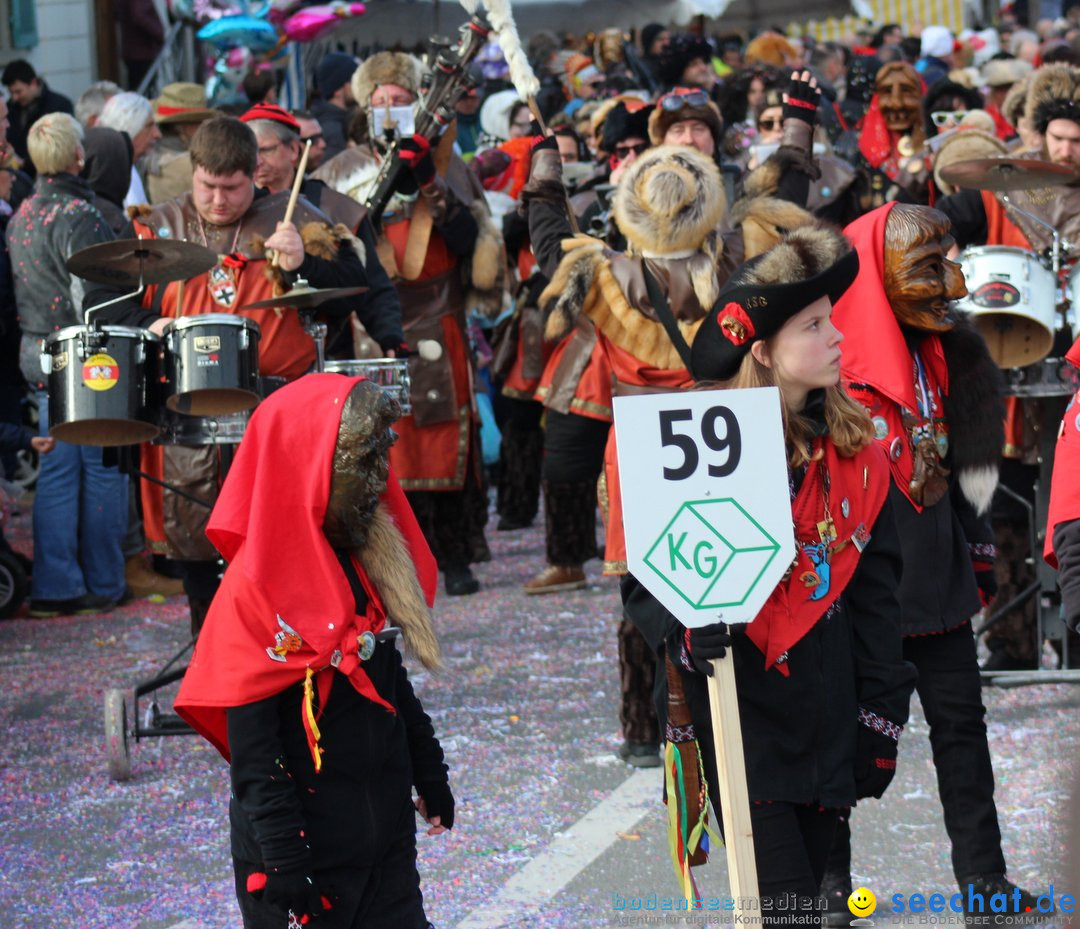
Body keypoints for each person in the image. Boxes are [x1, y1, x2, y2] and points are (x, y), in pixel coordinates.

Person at [526, 72, 822, 765]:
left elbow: (547, 245)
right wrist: (799, 121)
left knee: (657, 605)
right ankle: (743, 728)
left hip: (646, 461)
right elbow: (788, 200)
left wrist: (545, 169)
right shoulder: (743, 257)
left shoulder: (602, 273)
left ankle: (668, 731)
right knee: (745, 590)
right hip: (738, 453)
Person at [623, 224, 916, 923]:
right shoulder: (696, 446)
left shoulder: (858, 453)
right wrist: (686, 631)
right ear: (763, 351)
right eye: (813, 326)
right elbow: (644, 582)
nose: (837, 338)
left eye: (832, 321)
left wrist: (882, 718)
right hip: (741, 710)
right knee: (784, 908)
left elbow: (880, 600)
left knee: (828, 906)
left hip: (829, 712)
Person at [824, 202, 1052, 925]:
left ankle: (985, 885)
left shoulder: (945, 352)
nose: (954, 281)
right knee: (841, 742)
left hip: (940, 577)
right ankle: (829, 886)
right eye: (931, 266)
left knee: (964, 735)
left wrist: (977, 557)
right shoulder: (829, 366)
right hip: (860, 593)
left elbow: (963, 471)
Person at [92, 115, 405, 630]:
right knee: (199, 550)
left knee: (281, 549)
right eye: (207, 187)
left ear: (254, 173)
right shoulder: (156, 227)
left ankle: (284, 667)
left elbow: (357, 281)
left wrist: (306, 260)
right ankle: (213, 663)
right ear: (192, 172)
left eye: (231, 188)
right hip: (186, 418)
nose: (218, 201)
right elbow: (105, 305)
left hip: (277, 412)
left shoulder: (293, 216)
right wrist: (155, 321)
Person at [175, 374, 453, 929]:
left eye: (381, 460)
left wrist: (429, 769)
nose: (379, 481)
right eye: (362, 462)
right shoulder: (253, 596)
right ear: (307, 464)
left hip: (385, 847)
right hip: (303, 860)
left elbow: (388, 679)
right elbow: (255, 753)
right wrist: (284, 860)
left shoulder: (361, 560)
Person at [314, 51, 505, 596]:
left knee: (445, 438)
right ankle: (393, 561)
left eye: (401, 99)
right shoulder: (339, 170)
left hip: (438, 317)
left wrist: (430, 184)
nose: (391, 108)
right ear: (364, 105)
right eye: (381, 101)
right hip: (374, 323)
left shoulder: (447, 163)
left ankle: (454, 555)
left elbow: (475, 248)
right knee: (382, 443)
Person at [9, 112, 128, 617]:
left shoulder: (21, 213)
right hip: (81, 356)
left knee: (57, 471)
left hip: (37, 353)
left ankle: (57, 586)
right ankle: (103, 581)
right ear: (78, 156)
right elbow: (94, 298)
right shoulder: (81, 216)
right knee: (103, 468)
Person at [144, 82, 215, 204]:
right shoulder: (193, 166)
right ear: (186, 126)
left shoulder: (147, 155)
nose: (204, 126)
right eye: (200, 121)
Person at [2, 61, 74, 174]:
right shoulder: (10, 108)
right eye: (11, 93)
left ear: (33, 83)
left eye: (18, 91)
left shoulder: (59, 105)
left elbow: (63, 147)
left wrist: (24, 162)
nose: (14, 97)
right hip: (17, 176)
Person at [97, 91, 161, 207]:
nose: (157, 134)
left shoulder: (128, 168)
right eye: (149, 126)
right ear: (129, 129)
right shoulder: (117, 174)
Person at [311, 52, 358, 160]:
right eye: (353, 81)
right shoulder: (333, 130)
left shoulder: (342, 121)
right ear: (337, 90)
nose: (358, 86)